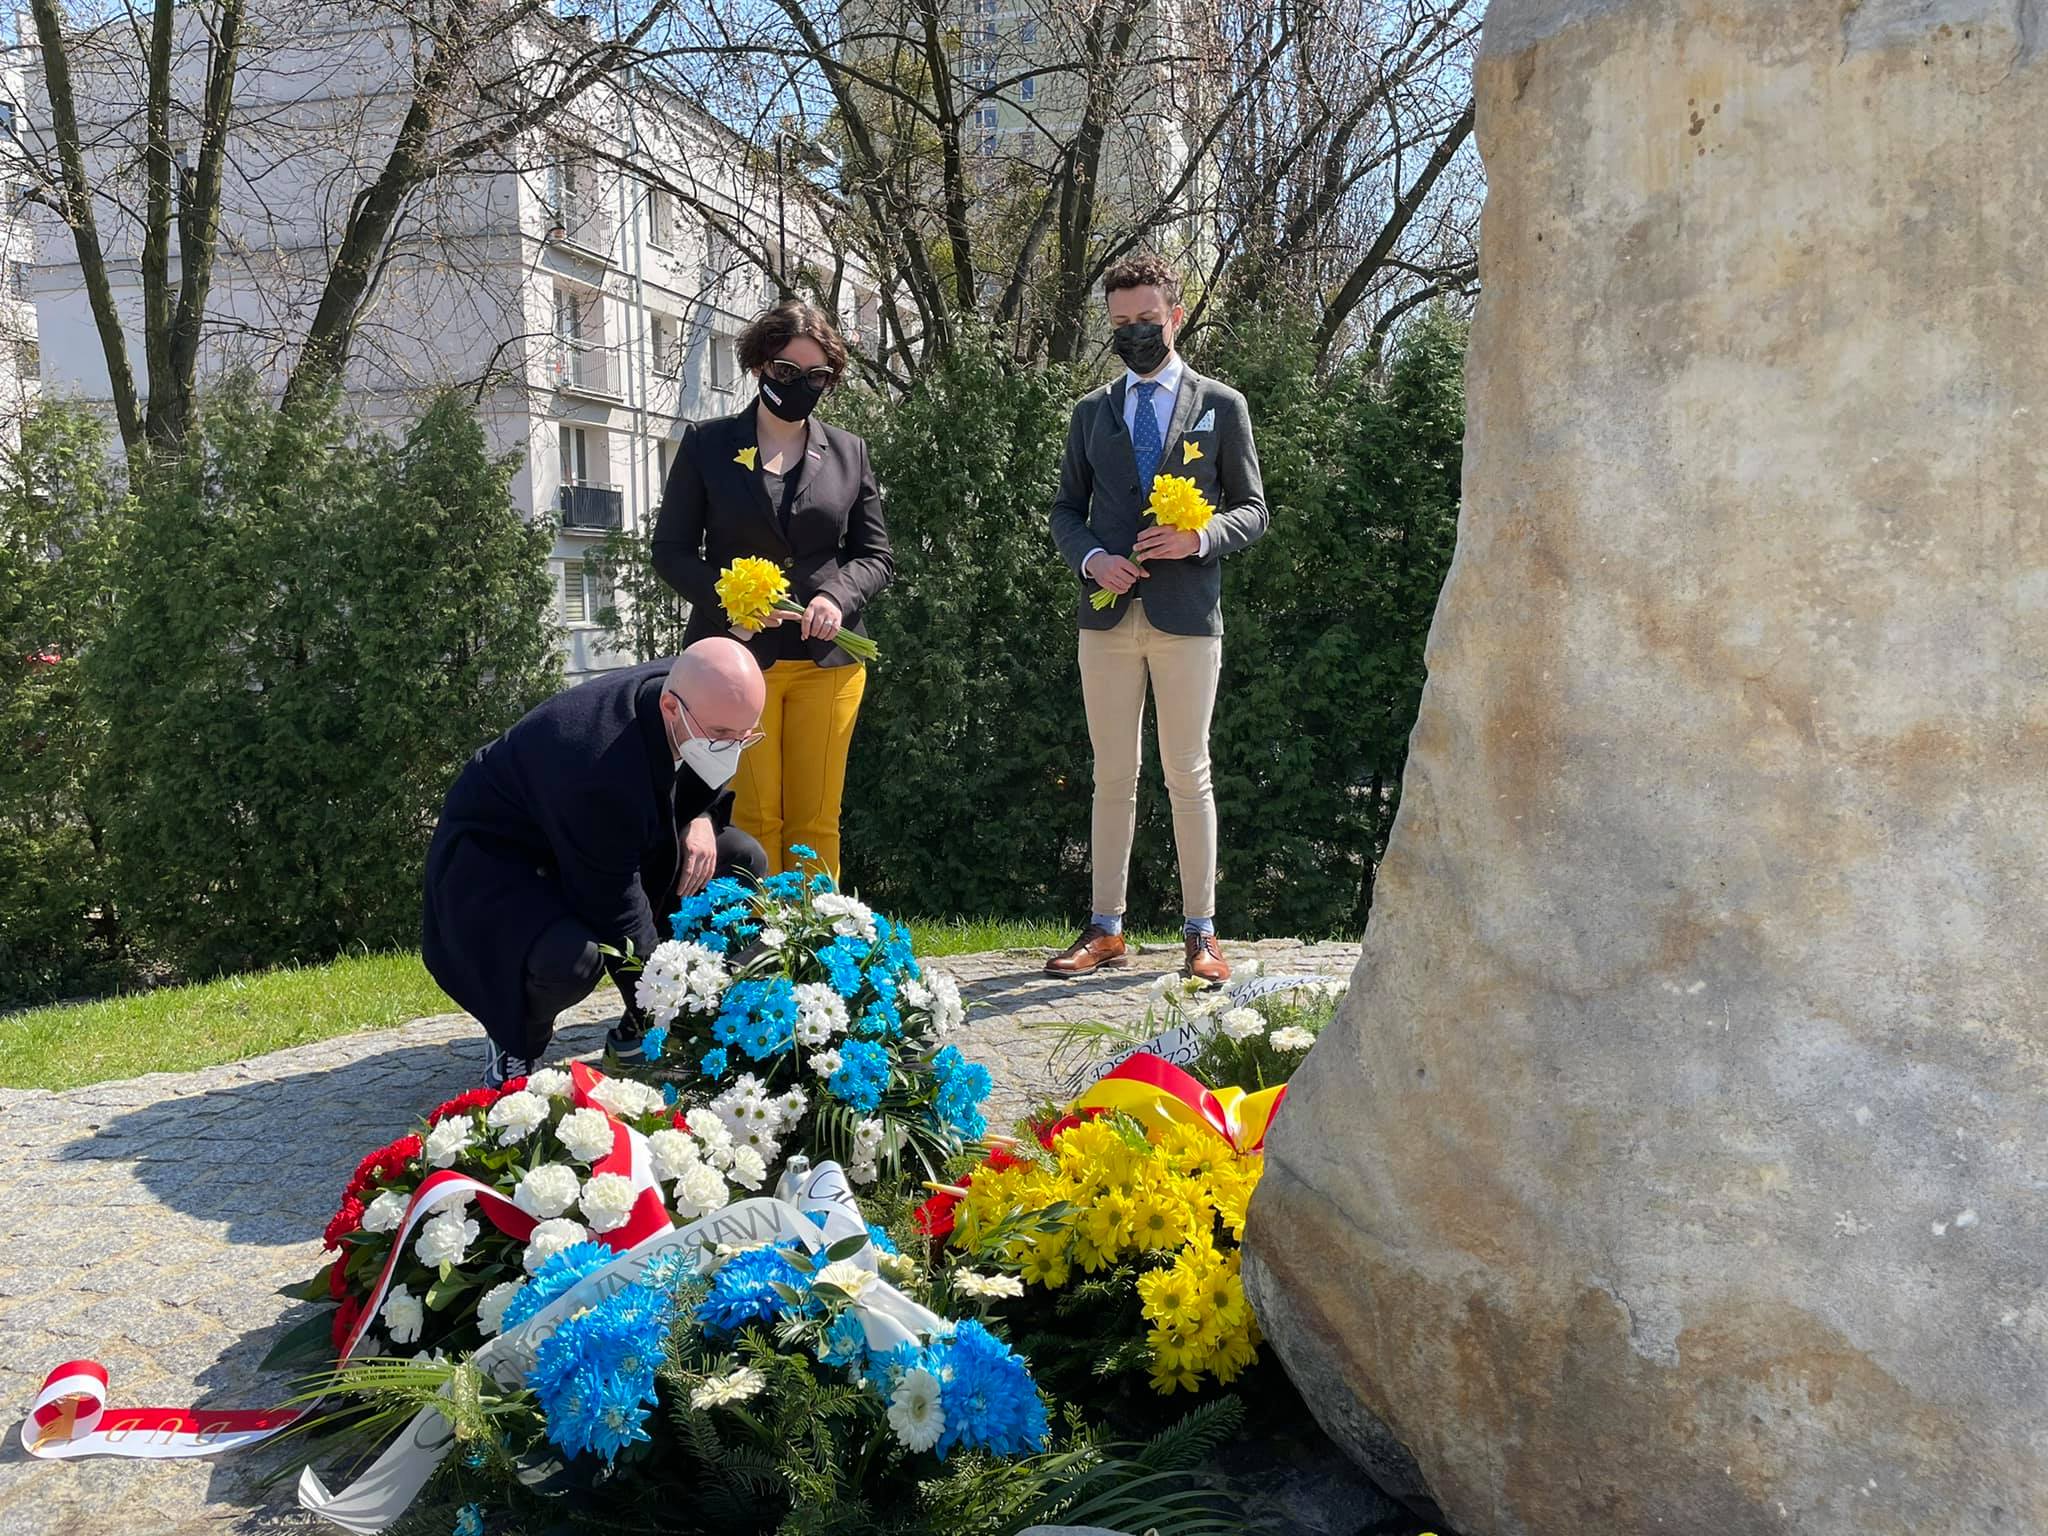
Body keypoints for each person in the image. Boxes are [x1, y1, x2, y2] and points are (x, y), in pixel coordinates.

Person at [1045, 253, 1270, 985]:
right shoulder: (1090, 412)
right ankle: (1105, 928)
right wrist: (1091, 561)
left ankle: (1201, 933)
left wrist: (1197, 538)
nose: (1134, 334)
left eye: (1146, 320)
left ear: (1175, 315)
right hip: (1105, 619)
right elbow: (1064, 513)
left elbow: (1254, 510)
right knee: (1112, 774)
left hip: (1186, 616)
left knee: (1188, 774)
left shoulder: (1221, 405)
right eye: (1120, 324)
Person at [420, 639, 769, 1086]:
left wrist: (703, 814)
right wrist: (667, 1012)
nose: (733, 748)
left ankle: (635, 1030)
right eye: (723, 736)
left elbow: (700, 772)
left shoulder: (701, 694)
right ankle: (515, 1037)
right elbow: (616, 907)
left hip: (596, 840)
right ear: (670, 707)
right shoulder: (596, 758)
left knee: (739, 860)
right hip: (500, 865)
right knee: (572, 959)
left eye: (745, 736)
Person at [652, 299, 892, 882]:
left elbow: (877, 555)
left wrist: (836, 597)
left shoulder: (849, 450)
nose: (801, 385)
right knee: (754, 817)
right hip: (735, 665)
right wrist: (732, 597)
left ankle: (817, 951)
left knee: (816, 820)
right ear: (761, 364)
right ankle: (757, 954)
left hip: (829, 663)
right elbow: (671, 553)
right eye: (788, 371)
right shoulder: (707, 444)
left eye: (817, 377)